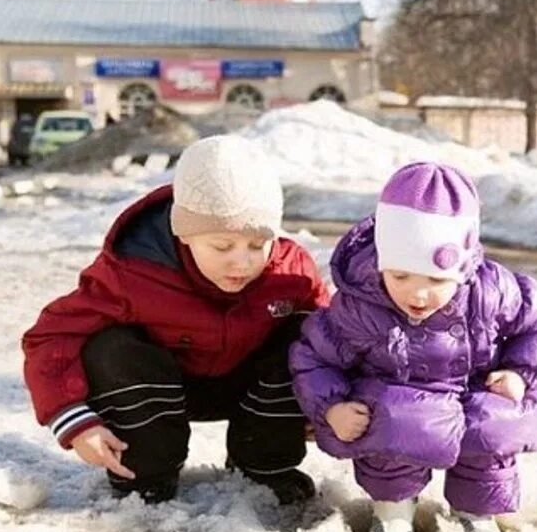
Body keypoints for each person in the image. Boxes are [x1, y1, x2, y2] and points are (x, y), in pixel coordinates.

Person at [21, 135, 329, 505]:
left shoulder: (291, 272)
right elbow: (51, 336)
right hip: (159, 386)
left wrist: (326, 400)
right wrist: (73, 420)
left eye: (257, 244)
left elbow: (334, 339)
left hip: (246, 385)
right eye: (222, 246)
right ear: (186, 234)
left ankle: (263, 467)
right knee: (110, 346)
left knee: (306, 337)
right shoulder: (133, 271)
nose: (242, 261)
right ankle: (146, 474)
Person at [290, 162, 537, 532]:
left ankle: (477, 513)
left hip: (471, 397)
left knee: (492, 422)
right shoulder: (360, 307)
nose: (417, 295)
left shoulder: (492, 291)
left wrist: (518, 372)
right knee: (395, 418)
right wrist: (332, 406)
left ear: (463, 269)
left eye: (435, 281)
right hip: (399, 405)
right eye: (400, 277)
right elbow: (314, 356)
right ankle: (393, 515)